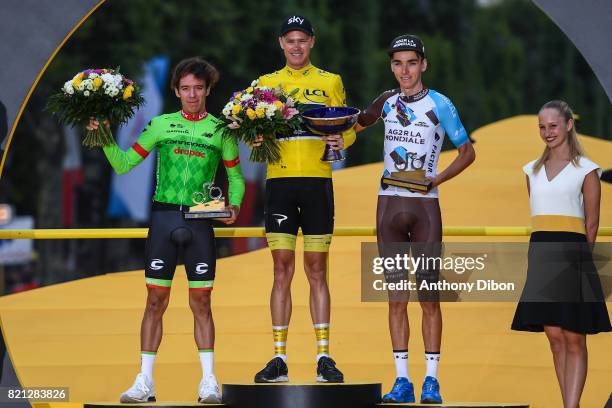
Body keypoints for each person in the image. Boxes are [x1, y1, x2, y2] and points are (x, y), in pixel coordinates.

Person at [88, 57, 245, 403]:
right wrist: (102, 134)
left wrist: (233, 204)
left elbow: (235, 177)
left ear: (207, 91)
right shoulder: (160, 125)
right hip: (163, 219)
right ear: (176, 90)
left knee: (201, 302)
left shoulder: (221, 131)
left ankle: (208, 382)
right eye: (186, 88)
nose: (192, 95)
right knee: (154, 301)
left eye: (198, 89)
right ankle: (144, 381)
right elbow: (124, 164)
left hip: (200, 220)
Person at [355, 35, 475, 403]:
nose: (404, 70)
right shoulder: (386, 101)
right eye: (397, 63)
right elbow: (352, 127)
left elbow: (468, 152)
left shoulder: (440, 103)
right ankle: (403, 380)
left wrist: (437, 178)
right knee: (395, 297)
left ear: (423, 64)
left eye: (410, 62)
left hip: (425, 208)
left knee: (428, 296)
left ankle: (432, 381)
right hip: (388, 204)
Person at [252, 15, 356, 383]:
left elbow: (349, 127)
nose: (296, 47)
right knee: (281, 268)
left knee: (316, 269)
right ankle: (278, 359)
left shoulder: (330, 81)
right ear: (281, 43)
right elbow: (252, 127)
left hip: (317, 183)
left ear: (312, 42)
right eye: (290, 40)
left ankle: (323, 357)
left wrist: (343, 140)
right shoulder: (265, 84)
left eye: (302, 40)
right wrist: (254, 137)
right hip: (279, 182)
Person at [511, 100, 611, 408]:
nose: (547, 132)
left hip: (573, 255)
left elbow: (591, 222)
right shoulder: (532, 170)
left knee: (573, 335)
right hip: (541, 253)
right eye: (542, 126)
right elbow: (540, 214)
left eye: (553, 125)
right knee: (553, 334)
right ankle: (569, 403)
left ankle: (571, 406)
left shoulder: (587, 170)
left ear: (568, 125)